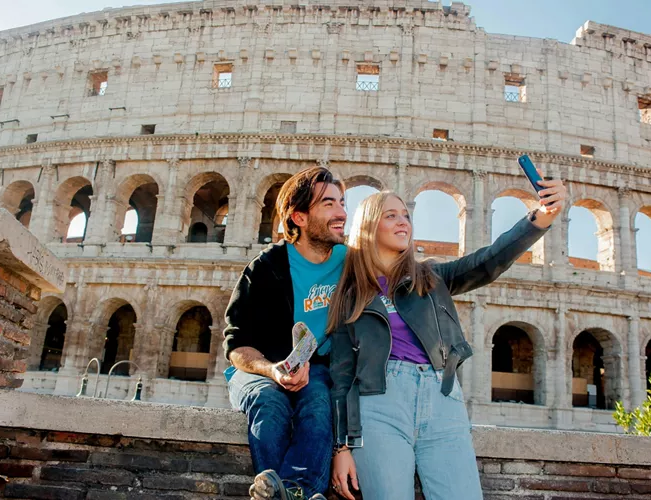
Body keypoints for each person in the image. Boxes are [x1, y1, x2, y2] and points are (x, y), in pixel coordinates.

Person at [327, 179, 567, 500]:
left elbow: (488, 261)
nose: (403, 221)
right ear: (368, 226)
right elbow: (341, 373)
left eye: (406, 215)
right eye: (391, 215)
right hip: (378, 402)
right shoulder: (350, 291)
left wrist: (541, 217)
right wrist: (341, 447)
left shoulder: (431, 277)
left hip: (442, 398)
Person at [222, 166, 349, 500]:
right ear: (300, 217)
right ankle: (302, 495)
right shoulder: (265, 267)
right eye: (329, 204)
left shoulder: (351, 263)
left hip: (317, 370)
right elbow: (236, 344)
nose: (342, 213)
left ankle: (289, 493)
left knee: (319, 401)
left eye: (342, 202)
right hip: (259, 370)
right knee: (269, 400)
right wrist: (272, 370)